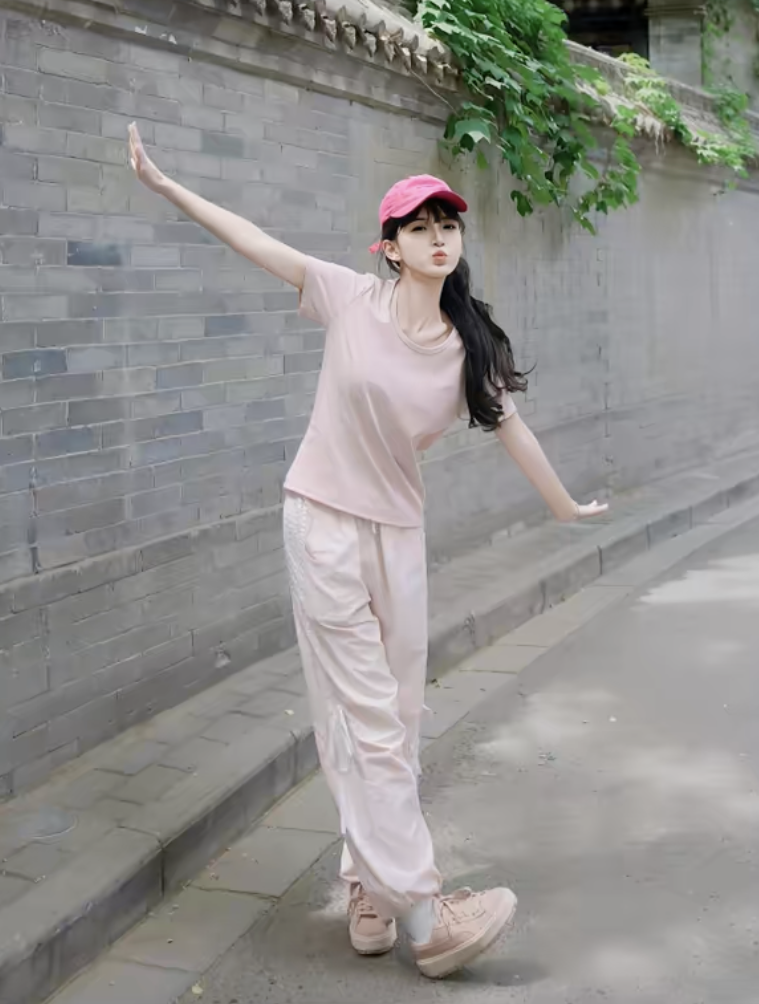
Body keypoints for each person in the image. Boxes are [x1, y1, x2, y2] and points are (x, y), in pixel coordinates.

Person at [127, 128, 608, 979]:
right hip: (320, 522)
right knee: (367, 717)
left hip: (397, 534)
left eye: (447, 225)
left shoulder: (469, 345)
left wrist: (563, 504)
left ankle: (366, 884)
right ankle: (426, 915)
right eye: (419, 227)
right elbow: (255, 241)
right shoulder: (349, 298)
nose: (438, 237)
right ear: (388, 247)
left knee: (399, 718)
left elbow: (513, 428)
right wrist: (169, 187)